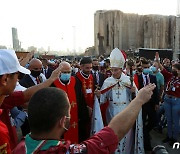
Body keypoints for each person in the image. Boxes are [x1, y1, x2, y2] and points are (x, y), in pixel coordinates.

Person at [13, 83, 156, 154]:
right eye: (69, 113)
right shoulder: (65, 151)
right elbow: (114, 133)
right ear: (63, 121)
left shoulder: (16, 148)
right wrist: (139, 100)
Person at [0, 49, 61, 153]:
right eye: (18, 76)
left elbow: (25, 95)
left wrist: (50, 79)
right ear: (5, 79)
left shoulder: (4, 99)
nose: (18, 80)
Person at [97, 48, 144, 153]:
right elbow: (103, 99)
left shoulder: (128, 80)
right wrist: (99, 95)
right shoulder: (108, 81)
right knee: (114, 136)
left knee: (127, 136)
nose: (113, 72)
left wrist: (133, 91)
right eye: (112, 70)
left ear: (121, 69)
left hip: (126, 111)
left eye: (116, 70)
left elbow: (137, 99)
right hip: (112, 113)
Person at [155, 52, 180, 146]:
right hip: (167, 99)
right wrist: (157, 60)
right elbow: (162, 69)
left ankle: (175, 138)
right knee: (168, 119)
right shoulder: (171, 76)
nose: (172, 70)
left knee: (175, 120)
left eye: (175, 69)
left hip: (176, 101)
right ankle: (169, 136)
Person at [51, 61, 79, 143]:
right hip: (60, 120)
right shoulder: (53, 84)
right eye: (64, 72)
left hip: (76, 119)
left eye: (68, 72)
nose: (66, 74)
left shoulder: (75, 82)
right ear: (59, 72)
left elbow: (80, 100)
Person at [135, 58, 159, 152]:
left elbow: (156, 90)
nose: (147, 69)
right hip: (142, 103)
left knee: (154, 121)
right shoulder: (138, 77)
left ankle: (145, 133)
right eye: (145, 67)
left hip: (151, 103)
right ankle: (147, 144)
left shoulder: (152, 77)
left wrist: (156, 102)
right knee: (142, 122)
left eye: (148, 67)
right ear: (141, 67)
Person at [75, 57, 94, 142]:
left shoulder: (92, 76)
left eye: (90, 67)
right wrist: (85, 108)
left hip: (92, 107)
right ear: (81, 67)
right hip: (82, 111)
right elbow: (77, 97)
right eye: (87, 68)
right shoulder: (76, 78)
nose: (89, 70)